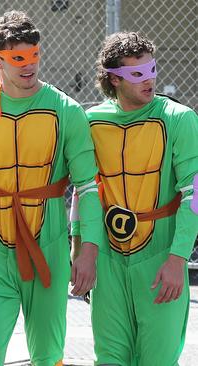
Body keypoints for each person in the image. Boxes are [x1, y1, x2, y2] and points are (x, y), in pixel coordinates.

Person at [0, 11, 105, 366]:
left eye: (34, 55)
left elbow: (89, 188)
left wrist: (88, 253)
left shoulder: (66, 110)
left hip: (49, 251)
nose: (29, 65)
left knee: (48, 357)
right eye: (18, 58)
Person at [70, 31, 198, 365]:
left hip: (160, 259)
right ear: (114, 79)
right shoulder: (92, 122)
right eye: (137, 74)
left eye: (151, 70)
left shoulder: (179, 119)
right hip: (108, 261)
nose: (149, 80)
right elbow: (85, 188)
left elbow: (195, 193)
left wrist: (178, 258)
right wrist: (80, 245)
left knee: (157, 360)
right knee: (109, 358)